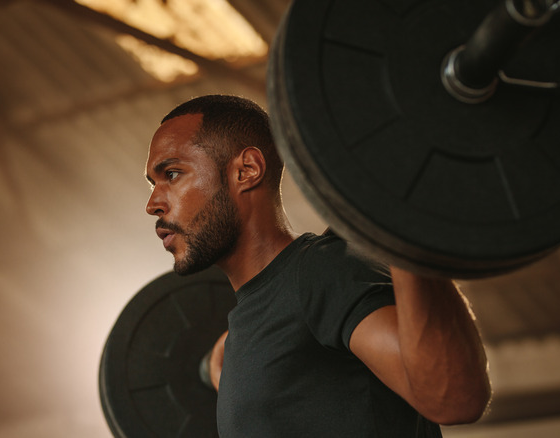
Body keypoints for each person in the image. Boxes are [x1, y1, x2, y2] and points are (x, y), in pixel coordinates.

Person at [144, 95, 491, 437]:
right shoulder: (249, 326)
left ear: (246, 170)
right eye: (152, 184)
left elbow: (454, 397)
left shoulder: (323, 272)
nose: (153, 204)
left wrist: (399, 219)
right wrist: (221, 357)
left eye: (172, 174)